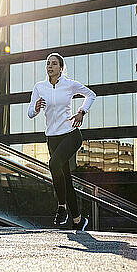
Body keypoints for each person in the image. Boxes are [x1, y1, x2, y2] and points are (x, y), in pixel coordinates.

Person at [28, 53, 96, 231]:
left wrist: (82, 111)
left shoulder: (69, 85)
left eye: (54, 64)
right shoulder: (40, 87)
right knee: (66, 181)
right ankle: (78, 221)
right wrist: (35, 109)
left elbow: (91, 95)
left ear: (61, 67)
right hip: (52, 138)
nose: (50, 66)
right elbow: (30, 112)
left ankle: (61, 208)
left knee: (53, 163)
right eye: (48, 63)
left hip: (71, 135)